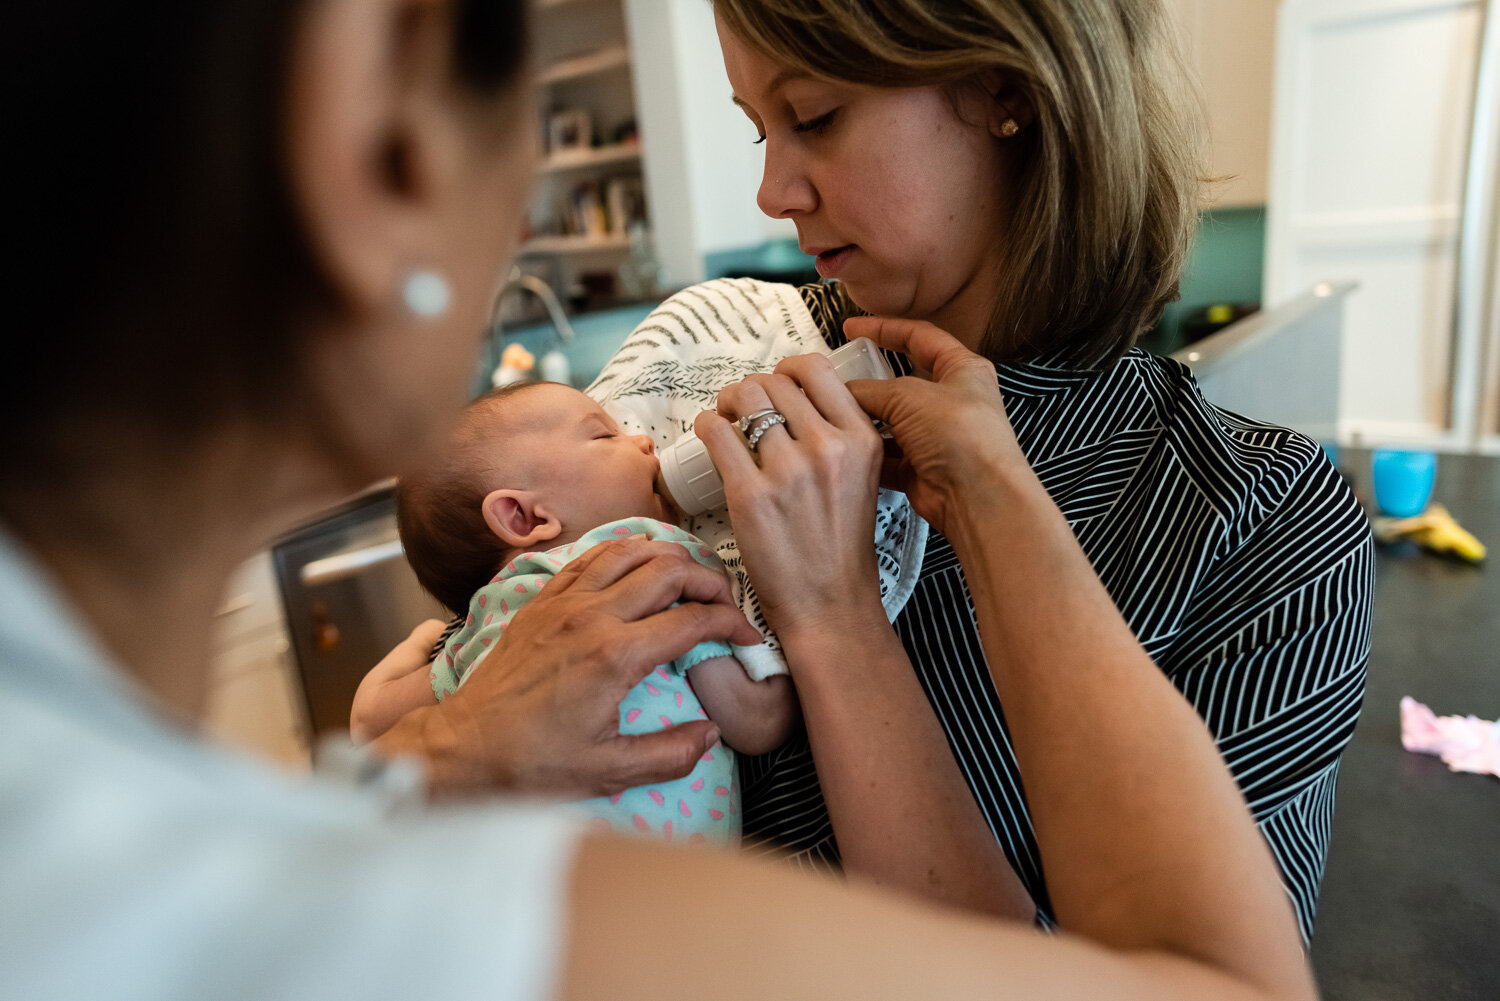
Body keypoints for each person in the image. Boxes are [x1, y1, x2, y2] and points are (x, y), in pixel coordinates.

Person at [0, 2, 1324, 1000]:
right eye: (761, 128)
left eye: (813, 117)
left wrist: (399, 773)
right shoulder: (713, 348)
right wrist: (436, 750)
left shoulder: (1256, 519)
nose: (768, 191)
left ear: (1008, 91)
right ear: (379, 128)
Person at [350, 382, 796, 843]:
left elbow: (370, 717)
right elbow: (757, 721)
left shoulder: (489, 623)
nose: (643, 441)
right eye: (604, 437)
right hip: (663, 880)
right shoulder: (646, 561)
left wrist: (422, 641)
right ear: (524, 517)